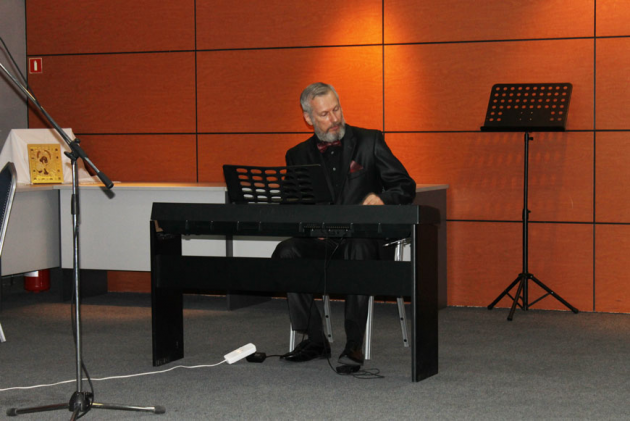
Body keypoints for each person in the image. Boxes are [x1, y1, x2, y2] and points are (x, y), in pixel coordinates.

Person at [274, 82, 416, 366]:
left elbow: (405, 185)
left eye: (336, 109)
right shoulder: (297, 155)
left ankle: (353, 343)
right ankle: (315, 340)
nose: (334, 118)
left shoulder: (369, 141)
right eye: (324, 114)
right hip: (323, 243)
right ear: (308, 118)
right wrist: (310, 230)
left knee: (358, 247)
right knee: (286, 252)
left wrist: (382, 198)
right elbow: (291, 207)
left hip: (366, 242)